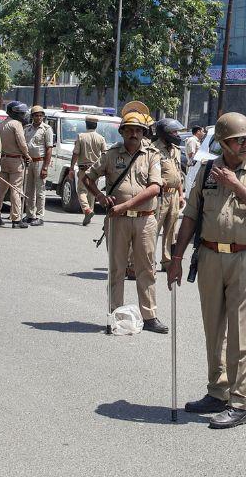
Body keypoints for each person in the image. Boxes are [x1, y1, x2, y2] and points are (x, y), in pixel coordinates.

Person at [168, 111, 246, 429]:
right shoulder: (206, 171)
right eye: (239, 140)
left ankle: (239, 402)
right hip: (210, 256)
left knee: (241, 334)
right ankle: (217, 391)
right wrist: (176, 259)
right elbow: (190, 216)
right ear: (224, 144)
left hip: (244, 259)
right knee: (213, 329)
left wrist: (235, 186)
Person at [82, 102, 166, 335]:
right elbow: (87, 177)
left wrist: (125, 205)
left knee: (146, 269)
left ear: (143, 133)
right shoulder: (110, 155)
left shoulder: (151, 156)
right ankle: (115, 314)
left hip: (145, 219)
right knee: (116, 269)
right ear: (122, 131)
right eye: (129, 129)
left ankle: (149, 316)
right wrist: (98, 196)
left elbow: (155, 188)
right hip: (117, 221)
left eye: (138, 130)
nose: (133, 134)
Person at [152, 118, 186, 272]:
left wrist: (180, 194)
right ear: (164, 133)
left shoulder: (176, 150)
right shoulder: (153, 150)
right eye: (173, 132)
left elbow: (178, 174)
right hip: (159, 196)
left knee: (171, 230)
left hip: (173, 196)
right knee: (153, 230)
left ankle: (166, 261)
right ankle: (146, 261)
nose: (177, 134)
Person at [0, 101, 30, 229]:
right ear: (14, 113)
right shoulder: (16, 124)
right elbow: (22, 143)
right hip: (16, 160)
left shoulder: (1, 125)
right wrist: (27, 155)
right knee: (16, 190)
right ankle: (16, 219)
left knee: (2, 189)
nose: (23, 115)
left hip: (4, 159)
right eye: (20, 113)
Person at [70, 115, 108, 227]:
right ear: (96, 125)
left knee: (81, 191)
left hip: (83, 168)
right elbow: (105, 154)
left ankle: (87, 209)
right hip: (95, 169)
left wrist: (71, 167)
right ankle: (90, 212)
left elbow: (75, 153)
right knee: (92, 191)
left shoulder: (81, 136)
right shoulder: (101, 138)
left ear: (86, 125)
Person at [22, 105, 54, 226]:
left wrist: (45, 167)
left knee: (40, 190)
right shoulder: (27, 128)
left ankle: (40, 216)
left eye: (41, 115)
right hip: (29, 161)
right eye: (36, 115)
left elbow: (49, 149)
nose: (38, 117)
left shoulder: (47, 129)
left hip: (40, 161)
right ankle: (30, 215)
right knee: (29, 189)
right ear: (32, 116)